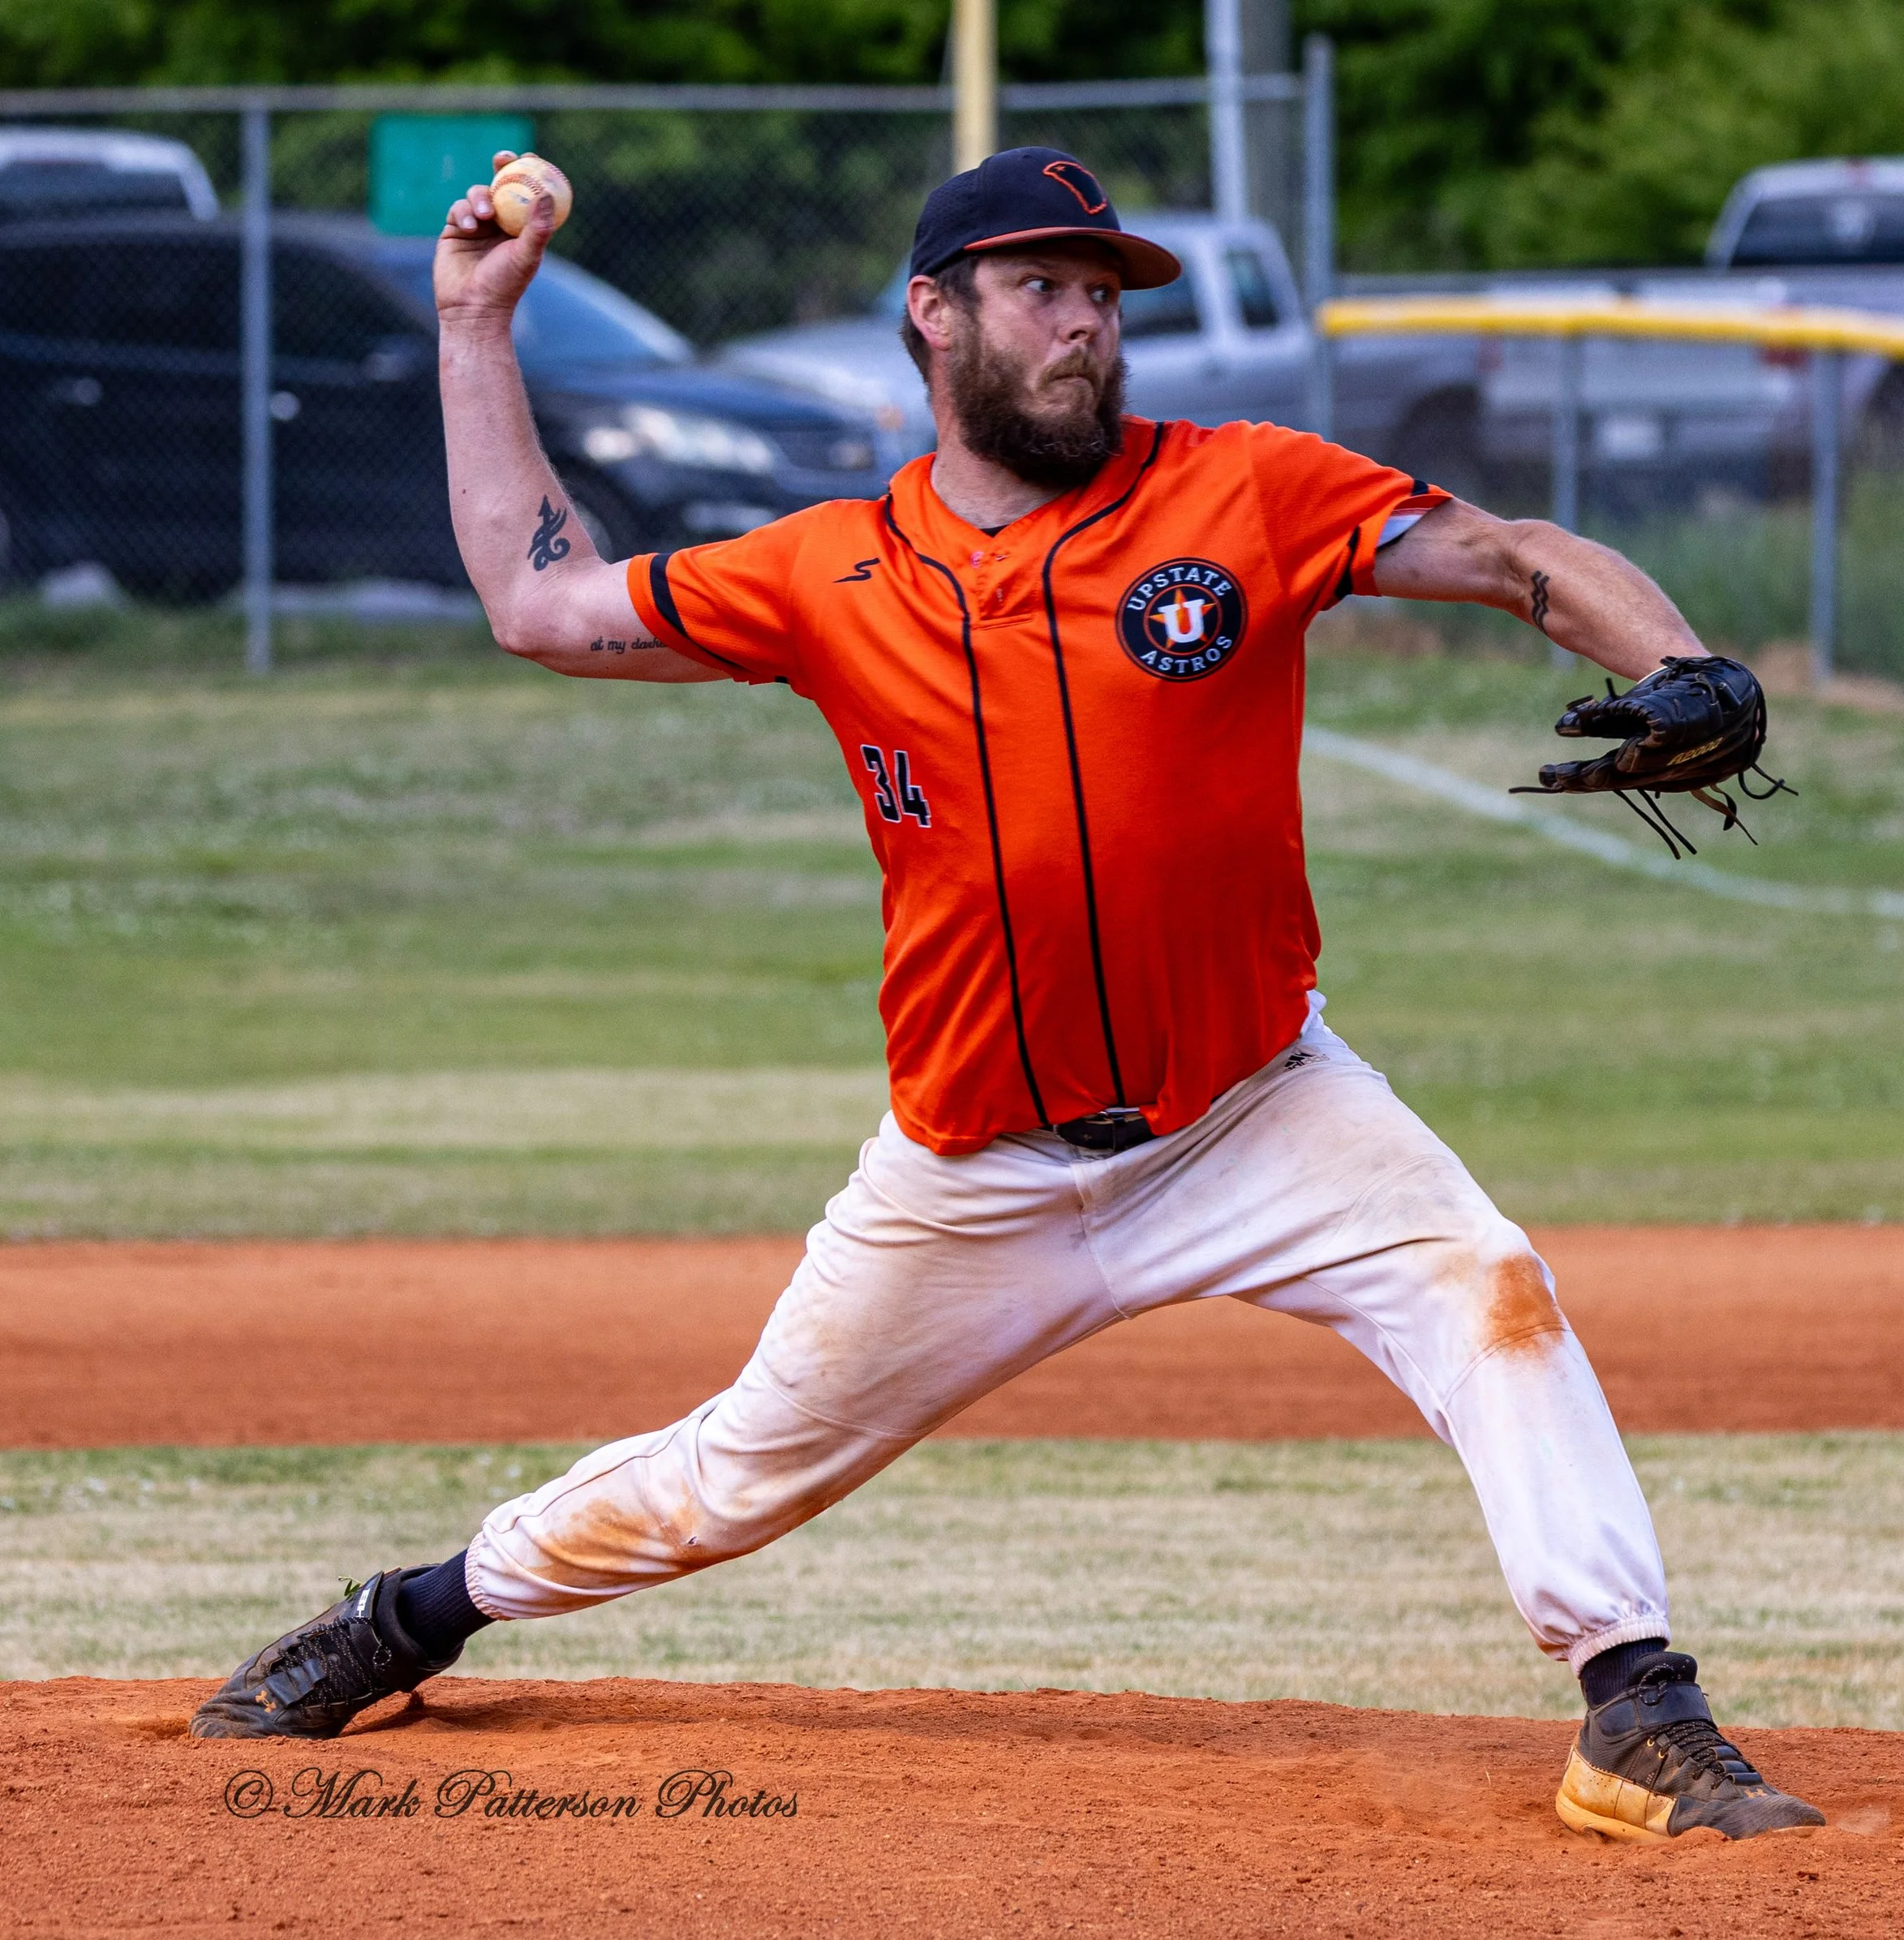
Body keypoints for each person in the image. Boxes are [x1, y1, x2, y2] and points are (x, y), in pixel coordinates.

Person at [191, 146, 1820, 1845]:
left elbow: (1508, 551)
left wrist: (1678, 662)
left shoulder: (1244, 491)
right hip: (976, 1169)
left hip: (1256, 1107)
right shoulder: (829, 572)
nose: (1084, 323)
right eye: (1041, 286)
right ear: (933, 312)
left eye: (1103, 293)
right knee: (736, 1472)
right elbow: (540, 603)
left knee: (1486, 1286)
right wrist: (473, 327)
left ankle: (1636, 1706)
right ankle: (412, 1612)